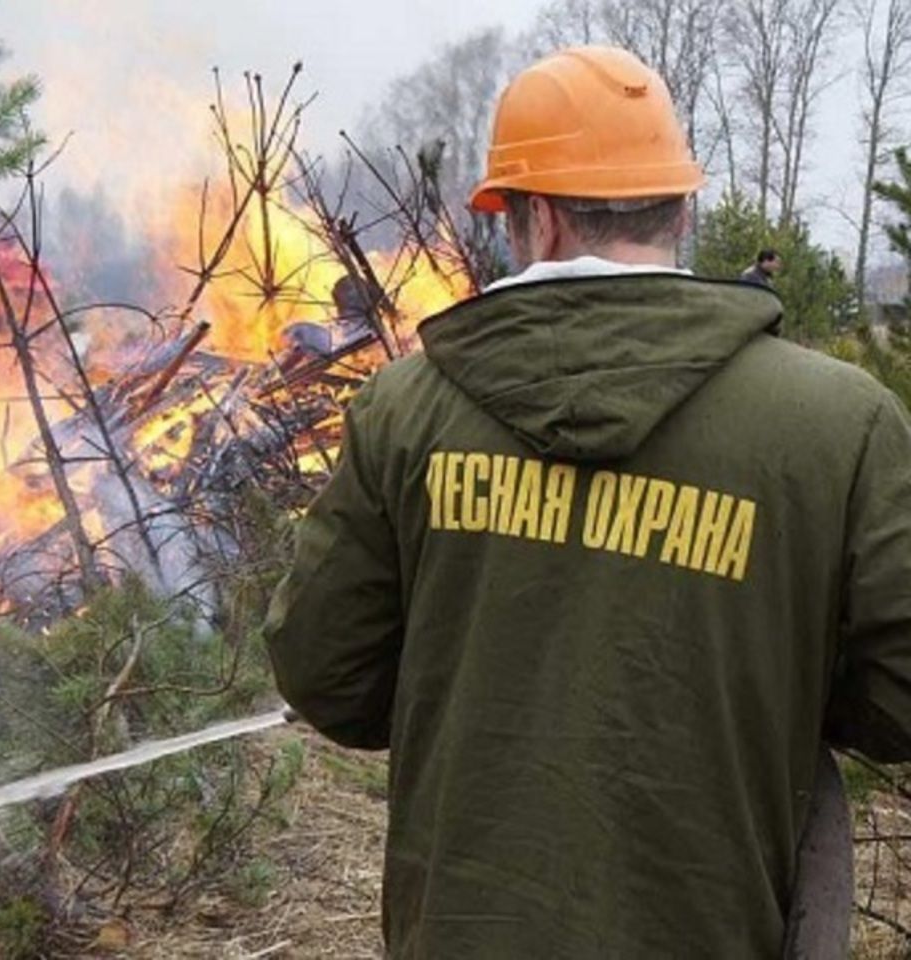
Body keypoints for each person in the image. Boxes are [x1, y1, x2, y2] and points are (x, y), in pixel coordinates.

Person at [264, 45, 911, 959]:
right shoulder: (840, 424)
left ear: (536, 218)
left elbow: (326, 674)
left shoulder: (404, 411)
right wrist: (768, 665)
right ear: (683, 208)